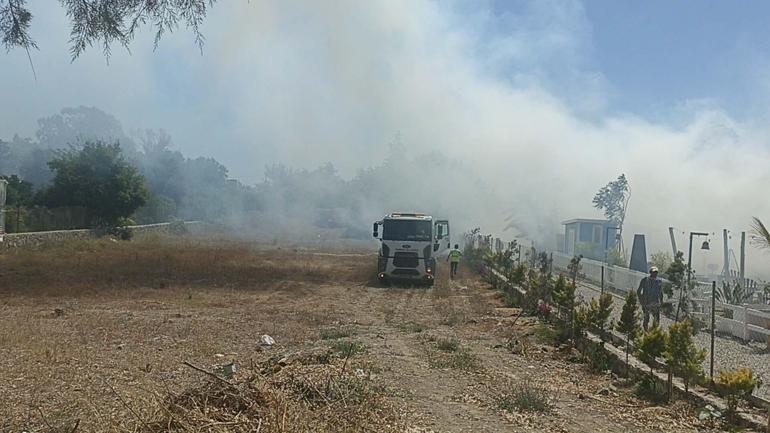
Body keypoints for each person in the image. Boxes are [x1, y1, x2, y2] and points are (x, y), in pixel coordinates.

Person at [637, 266, 663, 330]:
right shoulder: (645, 280)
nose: (655, 274)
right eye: (654, 272)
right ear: (650, 272)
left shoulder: (659, 282)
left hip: (655, 303)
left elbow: (660, 292)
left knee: (656, 319)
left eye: (656, 272)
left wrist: (661, 302)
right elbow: (639, 291)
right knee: (646, 318)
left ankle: (654, 332)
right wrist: (641, 300)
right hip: (646, 302)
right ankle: (646, 331)